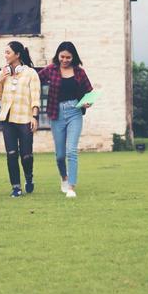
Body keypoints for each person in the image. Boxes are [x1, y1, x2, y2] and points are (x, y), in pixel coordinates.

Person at [40, 41, 93, 198]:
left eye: (68, 57)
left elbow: (89, 91)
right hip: (56, 113)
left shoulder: (79, 72)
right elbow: (34, 79)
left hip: (74, 111)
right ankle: (64, 177)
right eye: (62, 56)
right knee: (60, 155)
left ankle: (71, 186)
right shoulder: (51, 70)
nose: (64, 60)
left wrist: (88, 101)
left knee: (71, 150)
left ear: (73, 57)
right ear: (57, 56)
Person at [0, 41, 40, 197]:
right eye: (5, 52)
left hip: (25, 118)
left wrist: (34, 116)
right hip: (8, 118)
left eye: (8, 52)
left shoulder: (31, 73)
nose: (5, 55)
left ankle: (29, 177)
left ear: (17, 54)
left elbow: (35, 97)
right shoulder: (3, 72)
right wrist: (1, 80)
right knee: (11, 153)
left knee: (26, 155)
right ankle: (16, 187)